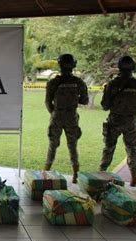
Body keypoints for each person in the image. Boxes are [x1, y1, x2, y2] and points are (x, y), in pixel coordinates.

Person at [100, 56, 136, 186]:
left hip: (114, 120)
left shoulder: (112, 84)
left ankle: (100, 174)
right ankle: (134, 178)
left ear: (119, 68)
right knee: (132, 148)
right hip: (131, 121)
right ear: (133, 68)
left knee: (109, 147)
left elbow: (104, 105)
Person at [44, 54, 89, 183]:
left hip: (57, 116)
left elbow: (48, 102)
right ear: (73, 65)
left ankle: (45, 172)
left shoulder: (53, 82)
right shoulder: (78, 82)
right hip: (72, 117)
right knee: (72, 146)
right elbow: (85, 100)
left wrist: (54, 113)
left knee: (52, 145)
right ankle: (75, 174)